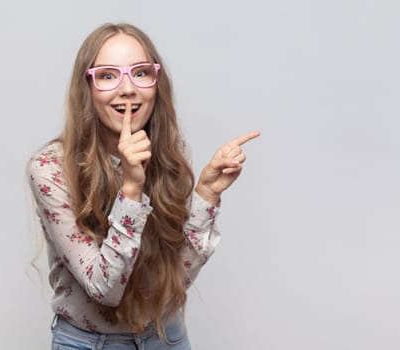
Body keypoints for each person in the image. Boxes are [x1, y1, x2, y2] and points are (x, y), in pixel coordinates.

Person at [27, 22, 260, 350]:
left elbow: (173, 282)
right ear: (87, 87)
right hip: (90, 343)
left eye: (140, 73)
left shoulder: (169, 152)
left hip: (166, 337)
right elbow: (105, 290)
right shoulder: (51, 169)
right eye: (108, 75)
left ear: (155, 83)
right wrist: (132, 190)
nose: (127, 89)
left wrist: (207, 193)